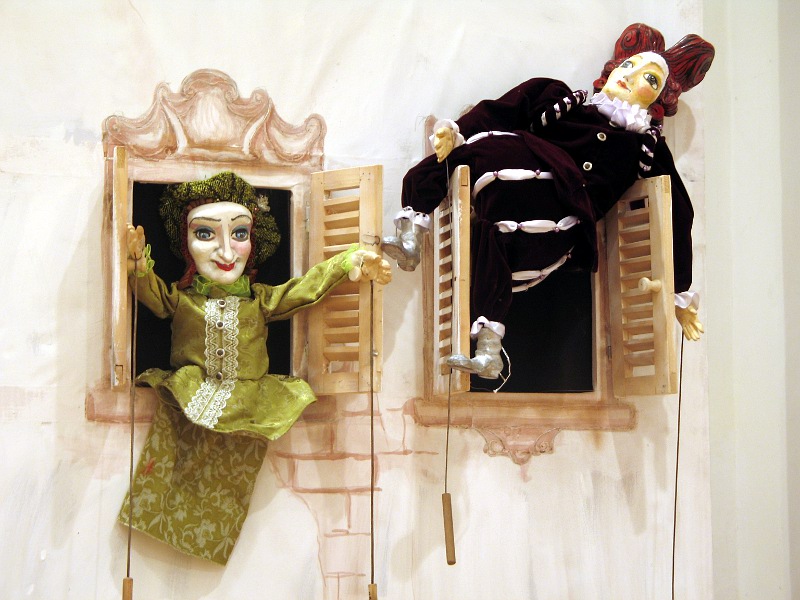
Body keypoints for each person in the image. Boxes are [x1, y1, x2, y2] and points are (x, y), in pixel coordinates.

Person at [382, 23, 712, 379]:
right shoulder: (562, 99)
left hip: (564, 221)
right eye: (628, 66)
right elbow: (502, 109)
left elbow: (677, 211)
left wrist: (680, 291)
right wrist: (457, 130)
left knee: (495, 238)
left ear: (658, 99)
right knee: (473, 162)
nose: (630, 78)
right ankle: (411, 233)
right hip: (522, 170)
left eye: (649, 79)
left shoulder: (646, 148)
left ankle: (489, 349)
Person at [119, 171, 390, 564]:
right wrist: (137, 265)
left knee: (230, 482)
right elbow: (152, 295)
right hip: (191, 395)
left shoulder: (260, 301)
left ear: (254, 240)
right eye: (206, 234)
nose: (226, 251)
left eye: (240, 234)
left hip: (249, 406)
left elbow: (303, 289)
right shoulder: (182, 300)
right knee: (170, 469)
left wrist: (348, 261)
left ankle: (208, 545)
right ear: (185, 244)